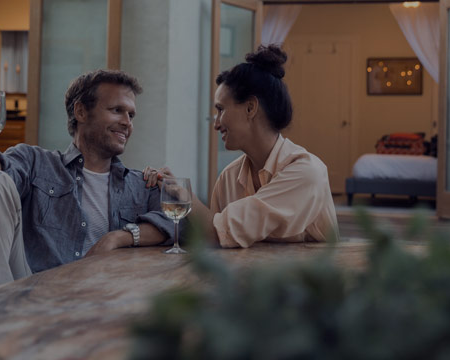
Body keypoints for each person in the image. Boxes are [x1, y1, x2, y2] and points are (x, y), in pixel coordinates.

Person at [0, 70, 175, 296]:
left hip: (101, 299)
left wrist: (116, 238)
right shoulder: (35, 162)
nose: (127, 123)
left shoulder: (139, 183)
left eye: (131, 115)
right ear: (81, 111)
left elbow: (180, 223)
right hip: (31, 291)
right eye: (117, 110)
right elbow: (2, 172)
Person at [144, 45, 338, 248]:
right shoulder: (228, 178)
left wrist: (185, 195)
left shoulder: (306, 172)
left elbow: (217, 234)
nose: (216, 123)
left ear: (250, 108)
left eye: (220, 110)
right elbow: (213, 243)